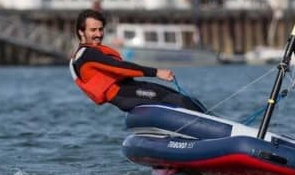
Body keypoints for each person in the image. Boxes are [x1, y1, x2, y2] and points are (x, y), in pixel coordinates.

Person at [70, 9, 206, 113]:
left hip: (131, 88)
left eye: (100, 29)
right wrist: (156, 72)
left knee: (181, 97)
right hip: (125, 94)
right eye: (93, 30)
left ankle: (216, 124)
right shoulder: (87, 55)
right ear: (81, 32)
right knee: (179, 100)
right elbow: (120, 67)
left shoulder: (87, 53)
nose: (99, 34)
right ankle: (219, 133)